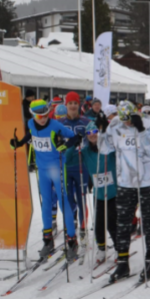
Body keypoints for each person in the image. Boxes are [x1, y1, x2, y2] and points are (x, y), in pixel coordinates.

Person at [97, 100, 150, 284]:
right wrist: (102, 130)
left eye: (129, 119)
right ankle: (123, 262)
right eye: (123, 119)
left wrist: (141, 130)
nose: (126, 123)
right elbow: (104, 149)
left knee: (148, 221)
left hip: (148, 181)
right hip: (125, 181)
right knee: (123, 223)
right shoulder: (115, 124)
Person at [10, 100, 82, 262]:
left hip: (57, 169)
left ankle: (72, 241)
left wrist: (65, 144)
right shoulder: (30, 123)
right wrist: (19, 143)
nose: (42, 119)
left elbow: (75, 137)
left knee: (64, 204)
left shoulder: (56, 125)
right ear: (33, 115)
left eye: (44, 115)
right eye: (38, 116)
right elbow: (32, 134)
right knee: (46, 204)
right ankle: (48, 240)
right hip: (42, 170)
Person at [80, 121, 118, 264]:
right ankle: (101, 249)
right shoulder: (85, 151)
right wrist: (73, 144)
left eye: (94, 132)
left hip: (113, 192)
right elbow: (70, 158)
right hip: (99, 193)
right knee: (98, 223)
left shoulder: (109, 149)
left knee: (112, 222)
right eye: (89, 133)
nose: (92, 135)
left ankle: (119, 248)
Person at [61, 92, 90, 236]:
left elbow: (95, 137)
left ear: (79, 105)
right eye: (70, 103)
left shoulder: (85, 122)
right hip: (65, 166)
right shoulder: (60, 123)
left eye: (75, 103)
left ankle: (83, 228)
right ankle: (72, 223)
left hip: (81, 166)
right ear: (66, 105)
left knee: (81, 197)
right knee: (67, 198)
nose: (73, 106)